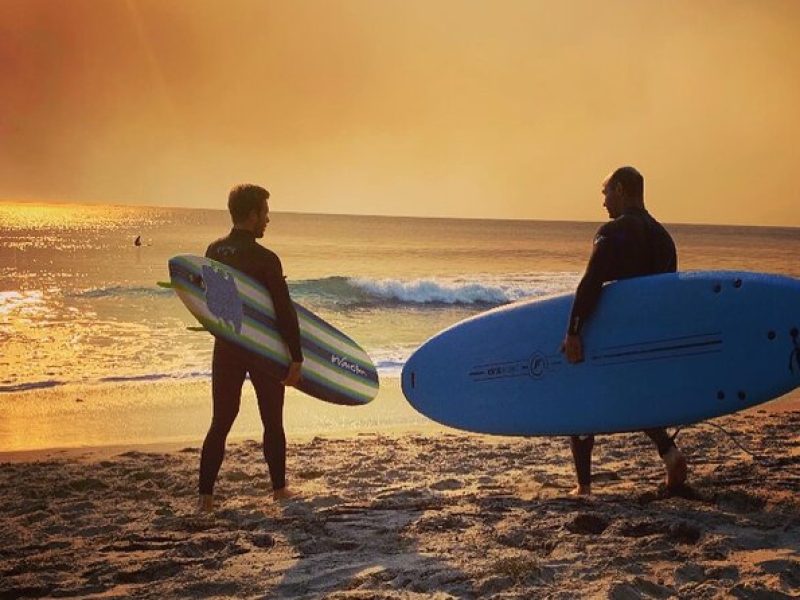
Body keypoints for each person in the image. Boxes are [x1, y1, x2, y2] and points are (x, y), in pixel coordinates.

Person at [561, 166, 687, 496]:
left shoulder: (613, 231)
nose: (603, 202)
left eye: (605, 193)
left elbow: (591, 284)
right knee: (633, 396)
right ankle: (669, 453)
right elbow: (665, 295)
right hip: (649, 335)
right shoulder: (664, 238)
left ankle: (584, 486)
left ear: (619, 189)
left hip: (612, 332)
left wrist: (574, 331)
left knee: (580, 399)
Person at [198, 184, 304, 512]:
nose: (268, 219)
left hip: (227, 346)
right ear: (253, 213)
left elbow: (210, 302)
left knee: (221, 420)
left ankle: (206, 498)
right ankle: (279, 490)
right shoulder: (265, 259)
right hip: (263, 350)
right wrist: (296, 356)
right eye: (265, 212)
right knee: (272, 420)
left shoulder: (214, 251)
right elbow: (283, 310)